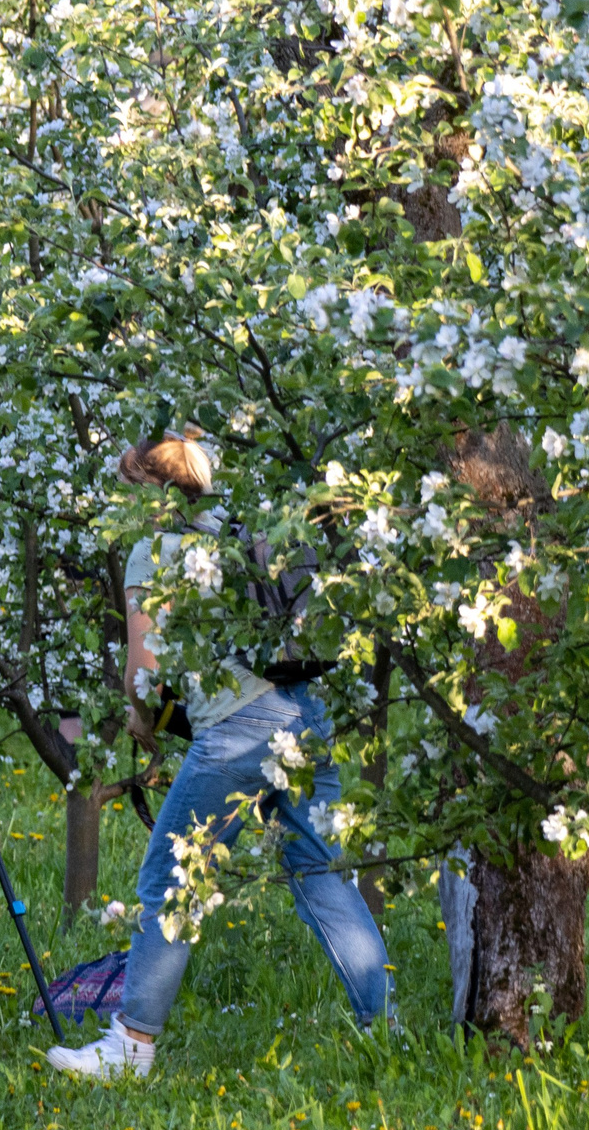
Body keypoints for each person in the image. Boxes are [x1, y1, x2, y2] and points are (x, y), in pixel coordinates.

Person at [45, 432, 388, 1081]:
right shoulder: (239, 527)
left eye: (128, 488)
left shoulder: (154, 549)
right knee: (321, 873)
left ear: (154, 491)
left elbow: (144, 671)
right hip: (305, 714)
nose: (123, 502)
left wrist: (143, 721)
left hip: (238, 730)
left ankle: (131, 1046)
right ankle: (383, 1029)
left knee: (168, 881)